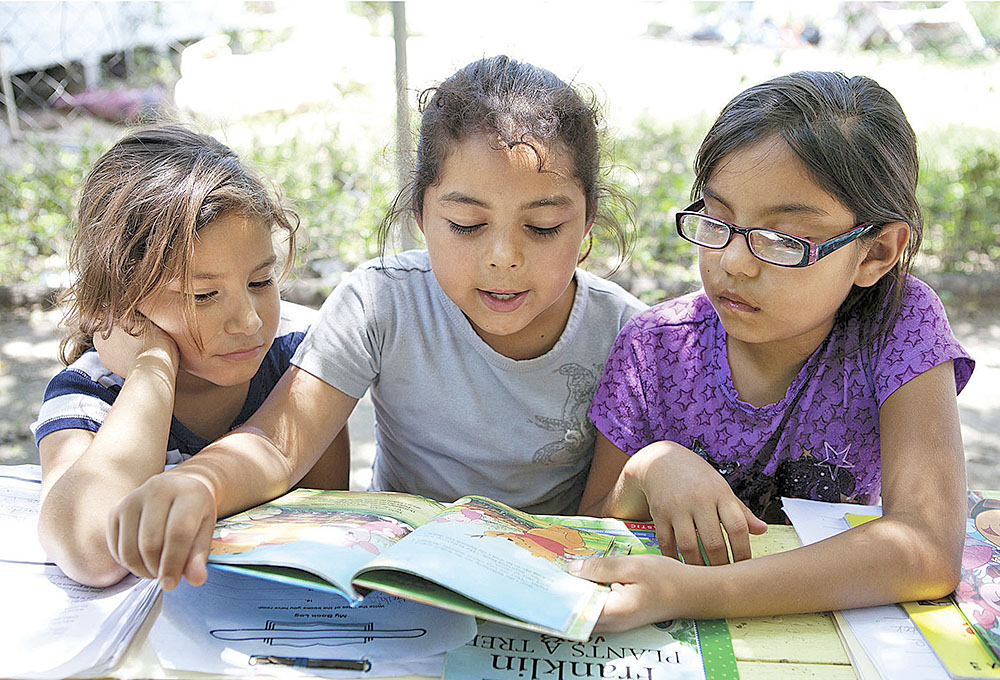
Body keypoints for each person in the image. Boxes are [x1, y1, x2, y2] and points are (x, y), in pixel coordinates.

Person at [103, 55, 647, 590]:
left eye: (544, 227)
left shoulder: (628, 336)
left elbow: (604, 516)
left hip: (546, 583)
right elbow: (278, 444)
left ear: (587, 222)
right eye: (466, 224)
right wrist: (202, 481)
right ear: (422, 218)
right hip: (404, 582)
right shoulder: (381, 301)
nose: (503, 256)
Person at [573, 71, 975, 629]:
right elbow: (587, 530)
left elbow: (926, 547)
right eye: (718, 220)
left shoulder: (897, 326)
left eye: (784, 239)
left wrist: (700, 592)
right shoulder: (655, 347)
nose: (734, 262)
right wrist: (647, 470)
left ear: (876, 251)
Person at [32, 125, 350, 588]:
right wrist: (152, 366)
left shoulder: (297, 355)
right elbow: (91, 553)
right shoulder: (89, 396)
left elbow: (326, 510)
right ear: (124, 301)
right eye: (203, 295)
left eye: (261, 282)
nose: (248, 322)